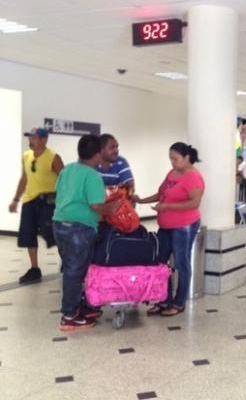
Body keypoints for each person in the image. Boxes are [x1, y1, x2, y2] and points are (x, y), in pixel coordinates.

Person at [53, 135, 120, 331]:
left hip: (59, 224)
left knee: (73, 268)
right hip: (79, 228)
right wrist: (112, 208)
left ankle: (77, 306)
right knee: (75, 272)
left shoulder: (67, 170)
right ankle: (69, 316)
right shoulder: (92, 176)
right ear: (98, 153)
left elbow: (60, 192)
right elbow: (97, 205)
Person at [134, 143, 204, 317]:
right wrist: (141, 201)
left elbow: (194, 203)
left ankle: (179, 302)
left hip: (184, 226)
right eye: (170, 159)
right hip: (165, 226)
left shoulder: (193, 177)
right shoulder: (172, 173)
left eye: (176, 159)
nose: (172, 162)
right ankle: (163, 299)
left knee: (181, 263)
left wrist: (168, 207)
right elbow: (161, 194)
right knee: (160, 261)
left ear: (187, 158)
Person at [9, 127, 64, 284]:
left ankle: (67, 260)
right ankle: (34, 269)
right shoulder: (26, 156)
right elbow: (24, 178)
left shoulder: (53, 157)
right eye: (30, 137)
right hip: (29, 201)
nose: (30, 140)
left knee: (54, 234)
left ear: (43, 140)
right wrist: (16, 199)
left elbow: (65, 180)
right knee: (28, 234)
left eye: (34, 138)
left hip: (48, 201)